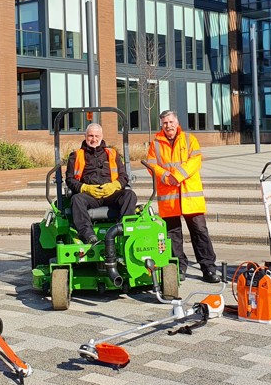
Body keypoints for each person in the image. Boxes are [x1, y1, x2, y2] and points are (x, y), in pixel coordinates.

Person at [146, 110, 220, 283]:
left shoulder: (189, 139)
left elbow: (195, 161)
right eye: (165, 123)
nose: (168, 126)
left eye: (171, 122)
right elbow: (151, 165)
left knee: (200, 232)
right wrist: (166, 177)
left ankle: (208, 268)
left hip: (189, 195)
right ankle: (178, 267)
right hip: (169, 196)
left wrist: (176, 176)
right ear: (161, 125)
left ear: (177, 122)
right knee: (173, 235)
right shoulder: (155, 143)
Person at [65, 123, 137, 245]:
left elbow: (124, 177)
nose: (94, 139)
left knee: (129, 195)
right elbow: (70, 179)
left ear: (102, 136)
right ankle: (88, 235)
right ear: (85, 136)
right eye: (91, 136)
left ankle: (124, 232)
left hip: (111, 194)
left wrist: (114, 186)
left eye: (96, 136)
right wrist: (85, 188)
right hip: (90, 196)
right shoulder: (76, 155)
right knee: (76, 199)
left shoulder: (112, 154)